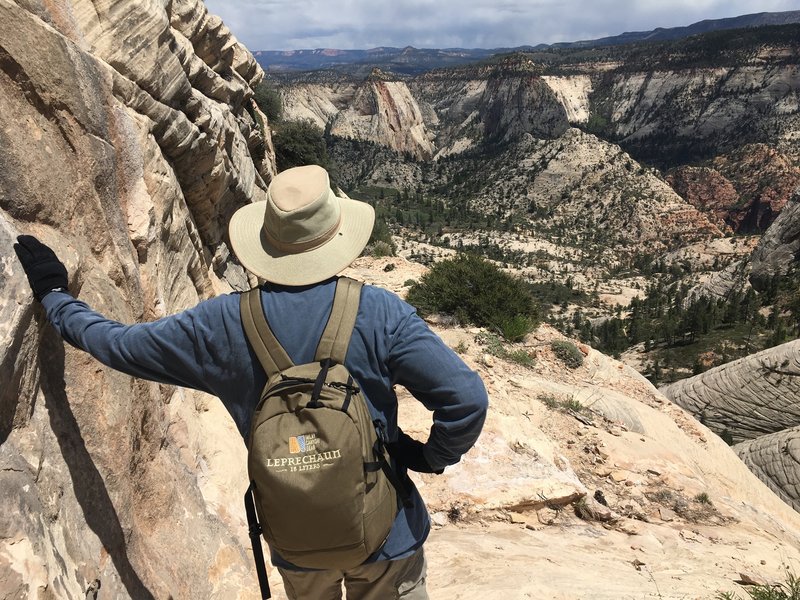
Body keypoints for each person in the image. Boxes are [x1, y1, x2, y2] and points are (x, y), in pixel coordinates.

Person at [14, 164, 488, 600]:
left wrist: (56, 297)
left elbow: (117, 346)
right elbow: (466, 400)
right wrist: (427, 456)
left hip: (295, 534)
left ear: (268, 242)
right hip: (389, 537)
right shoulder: (381, 313)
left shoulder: (222, 324)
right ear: (336, 234)